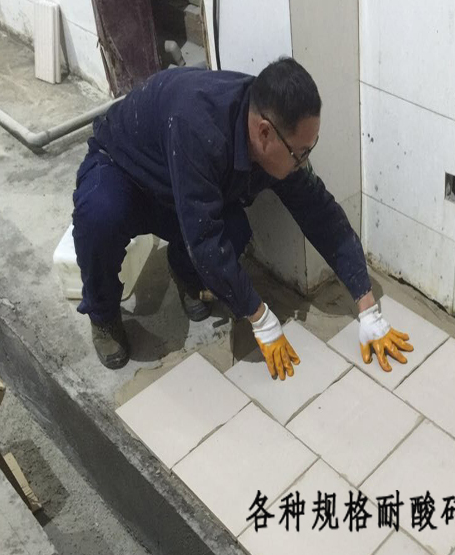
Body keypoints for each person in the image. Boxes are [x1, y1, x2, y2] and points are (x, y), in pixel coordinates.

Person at [71, 57, 413, 378]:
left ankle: (185, 274)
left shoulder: (272, 121)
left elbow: (319, 211)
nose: (303, 161)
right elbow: (204, 238)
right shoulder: (200, 126)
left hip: (180, 187)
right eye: (300, 153)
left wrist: (368, 307)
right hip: (125, 171)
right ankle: (103, 314)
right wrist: (260, 318)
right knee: (100, 216)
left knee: (233, 232)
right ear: (264, 133)